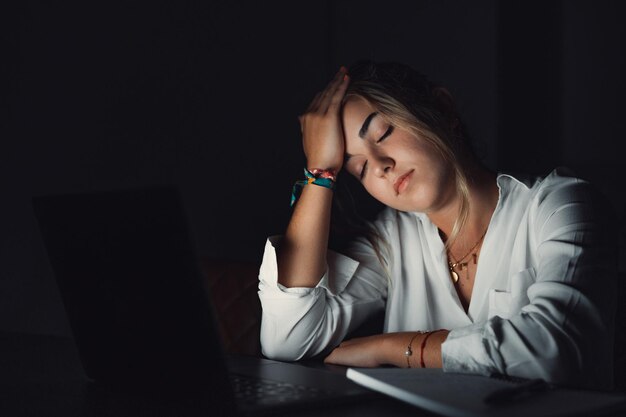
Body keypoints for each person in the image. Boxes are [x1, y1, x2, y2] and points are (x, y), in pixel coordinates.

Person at [257, 60, 618, 390]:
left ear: (443, 110)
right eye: (359, 168)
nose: (380, 165)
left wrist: (396, 348)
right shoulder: (391, 240)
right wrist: (320, 174)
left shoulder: (560, 205)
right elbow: (289, 338)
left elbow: (552, 351)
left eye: (382, 133)